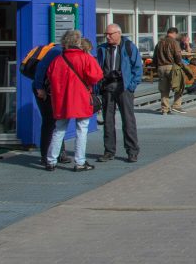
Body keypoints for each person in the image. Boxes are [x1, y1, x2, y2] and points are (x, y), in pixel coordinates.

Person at [44, 30, 104, 171]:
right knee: (81, 130)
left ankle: (51, 160)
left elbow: (50, 77)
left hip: (62, 99)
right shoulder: (85, 57)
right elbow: (96, 76)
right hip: (81, 98)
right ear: (78, 42)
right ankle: (80, 162)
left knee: (59, 129)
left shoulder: (57, 60)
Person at [95, 23, 143, 163]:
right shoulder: (101, 49)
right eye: (106, 35)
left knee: (128, 120)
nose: (108, 37)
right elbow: (97, 68)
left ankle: (132, 151)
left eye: (110, 34)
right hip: (107, 88)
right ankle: (109, 151)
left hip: (124, 87)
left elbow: (137, 68)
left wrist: (131, 86)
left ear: (119, 34)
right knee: (108, 121)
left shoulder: (129, 47)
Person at [32, 43, 70, 165]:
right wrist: (39, 88)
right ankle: (45, 155)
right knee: (49, 121)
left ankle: (59, 153)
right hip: (44, 90)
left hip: (54, 91)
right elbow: (41, 69)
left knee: (58, 120)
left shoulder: (67, 53)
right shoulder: (56, 51)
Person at [153, 27, 186, 116]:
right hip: (172, 67)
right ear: (175, 33)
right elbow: (178, 55)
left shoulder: (159, 43)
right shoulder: (174, 42)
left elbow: (154, 57)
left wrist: (157, 67)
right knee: (179, 85)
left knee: (164, 89)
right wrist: (180, 65)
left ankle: (165, 109)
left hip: (160, 67)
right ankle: (176, 105)